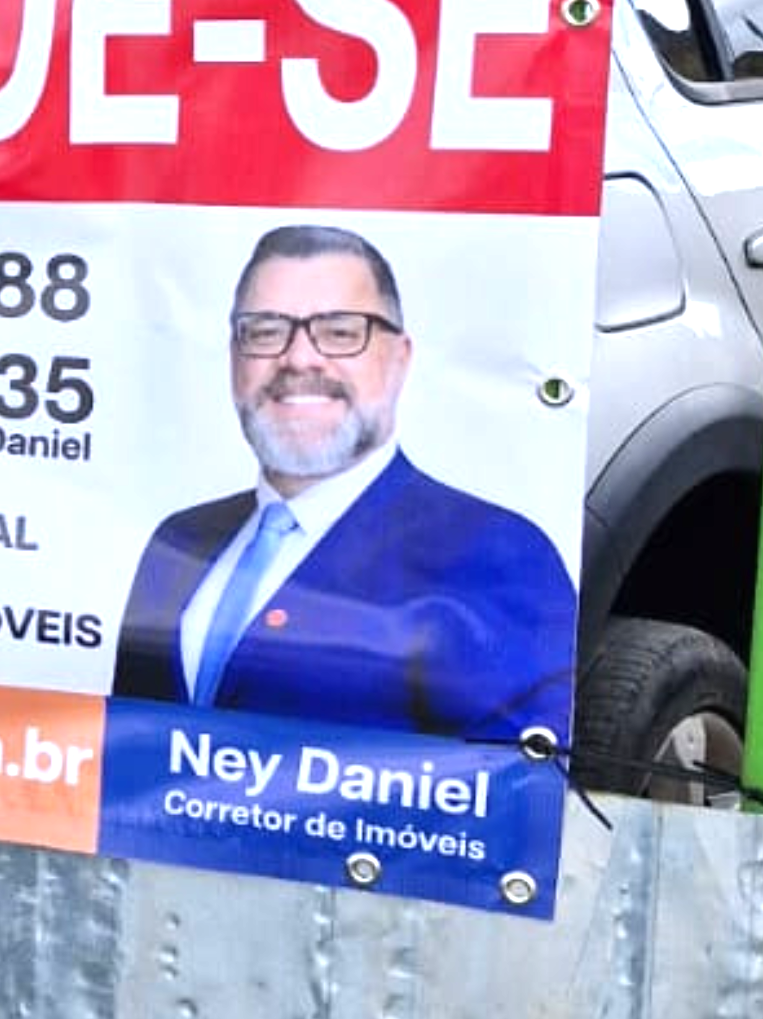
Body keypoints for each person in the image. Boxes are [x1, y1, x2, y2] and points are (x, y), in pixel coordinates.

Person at [110, 222, 576, 745]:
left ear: (400, 359)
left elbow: (515, 790)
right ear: (234, 358)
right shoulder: (179, 541)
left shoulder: (497, 552)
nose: (299, 358)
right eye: (265, 330)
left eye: (339, 331)